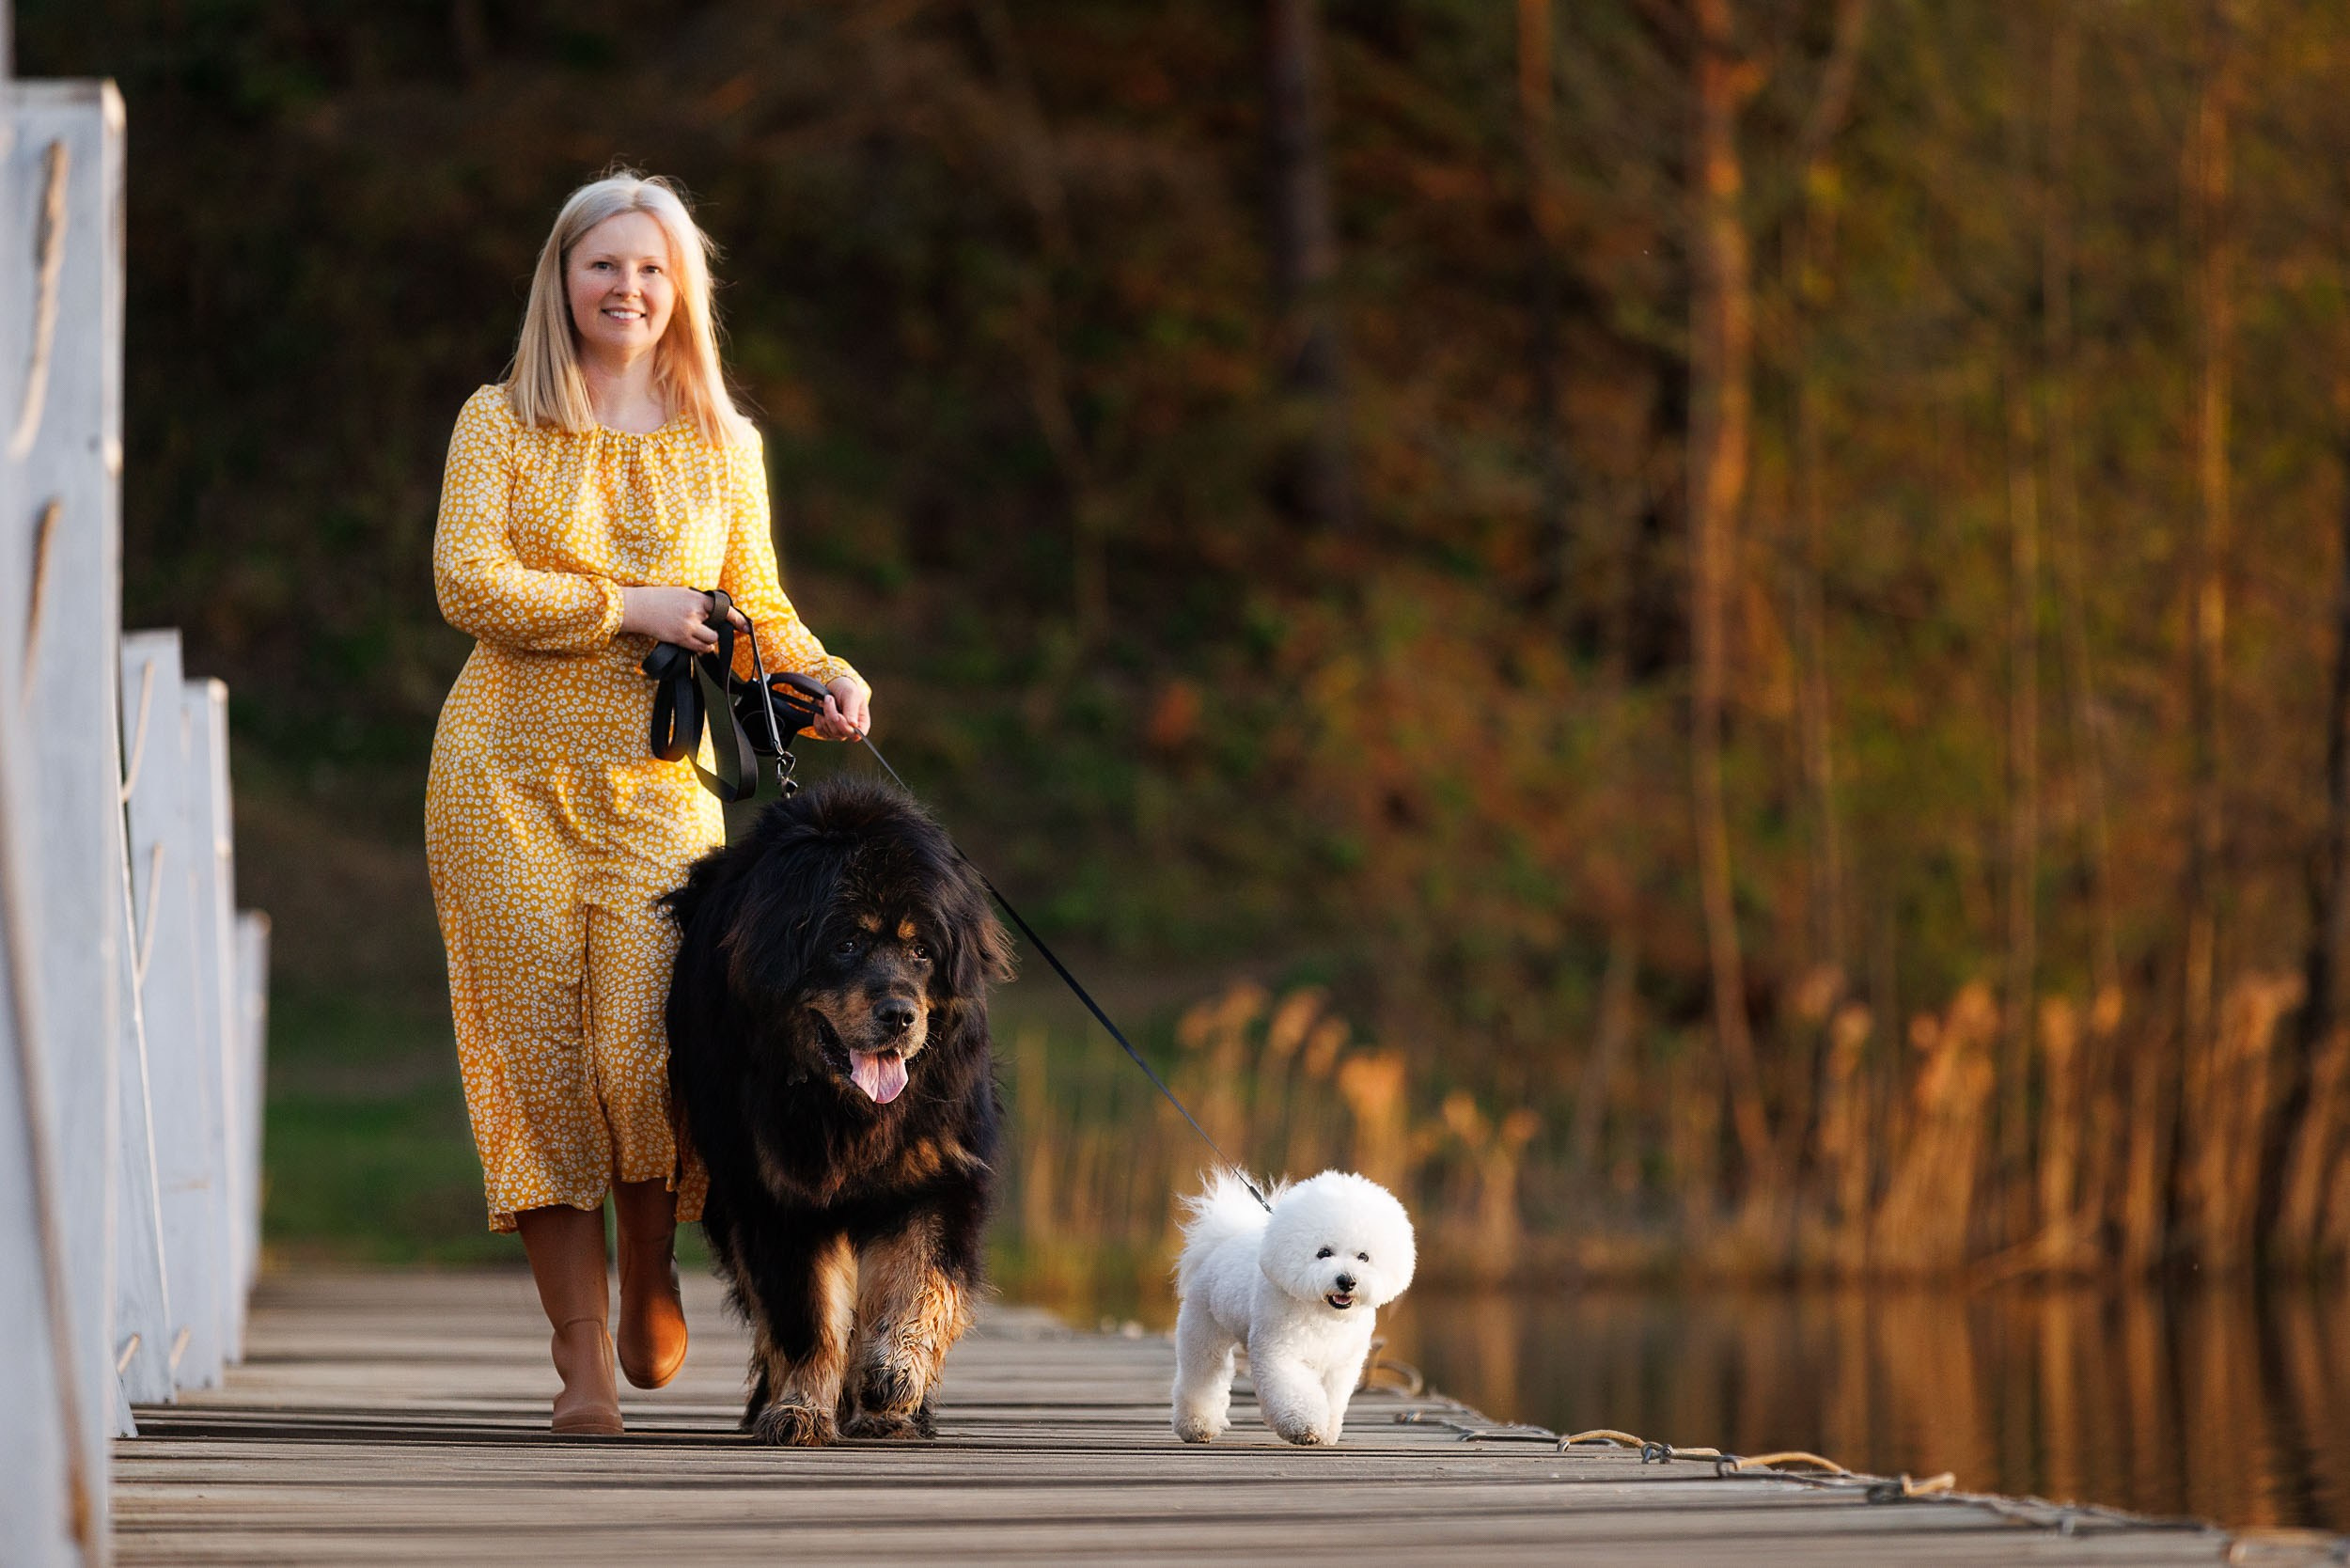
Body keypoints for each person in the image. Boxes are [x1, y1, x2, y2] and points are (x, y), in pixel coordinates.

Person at [425, 170, 870, 1435]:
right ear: (561, 280)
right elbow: (469, 581)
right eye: (603, 265)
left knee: (647, 1048)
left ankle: (651, 1262)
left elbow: (755, 604)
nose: (627, 288)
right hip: (498, 778)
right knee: (540, 1067)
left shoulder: (723, 442)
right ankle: (576, 1367)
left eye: (651, 270)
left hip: (658, 791)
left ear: (684, 292)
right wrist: (629, 607)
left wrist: (820, 673)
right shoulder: (500, 420)